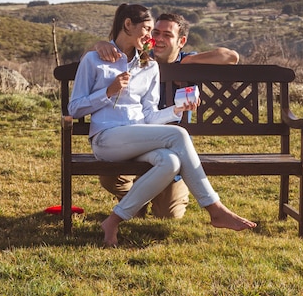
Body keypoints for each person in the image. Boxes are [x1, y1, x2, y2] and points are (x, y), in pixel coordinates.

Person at [68, 3, 255, 247]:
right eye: (148, 29)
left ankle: (112, 221)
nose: (150, 37)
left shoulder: (149, 66)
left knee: (171, 161)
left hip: (138, 137)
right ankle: (215, 208)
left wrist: (176, 110)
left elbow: (148, 115)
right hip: (107, 139)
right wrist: (107, 92)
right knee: (178, 135)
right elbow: (74, 108)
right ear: (127, 25)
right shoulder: (94, 60)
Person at [94, 12, 239, 219]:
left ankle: (144, 199)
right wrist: (100, 44)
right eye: (156, 33)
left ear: (181, 41)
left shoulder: (189, 61)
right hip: (134, 142)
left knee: (169, 215)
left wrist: (188, 63)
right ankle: (134, 202)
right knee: (110, 178)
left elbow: (231, 57)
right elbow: (94, 57)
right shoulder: (140, 60)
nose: (159, 39)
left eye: (167, 35)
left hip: (173, 153)